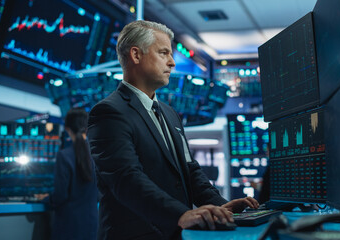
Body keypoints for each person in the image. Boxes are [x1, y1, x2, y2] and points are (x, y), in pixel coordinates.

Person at [87, 20, 259, 239]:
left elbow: (191, 171)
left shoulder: (170, 114)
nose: (172, 62)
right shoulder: (108, 113)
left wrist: (221, 206)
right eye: (163, 53)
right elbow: (126, 179)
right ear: (136, 55)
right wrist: (181, 214)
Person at [36, 108, 98, 240]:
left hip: (69, 227)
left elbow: (60, 196)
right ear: (86, 128)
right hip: (91, 226)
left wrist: (45, 198)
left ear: (68, 129)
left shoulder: (64, 156)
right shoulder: (96, 156)